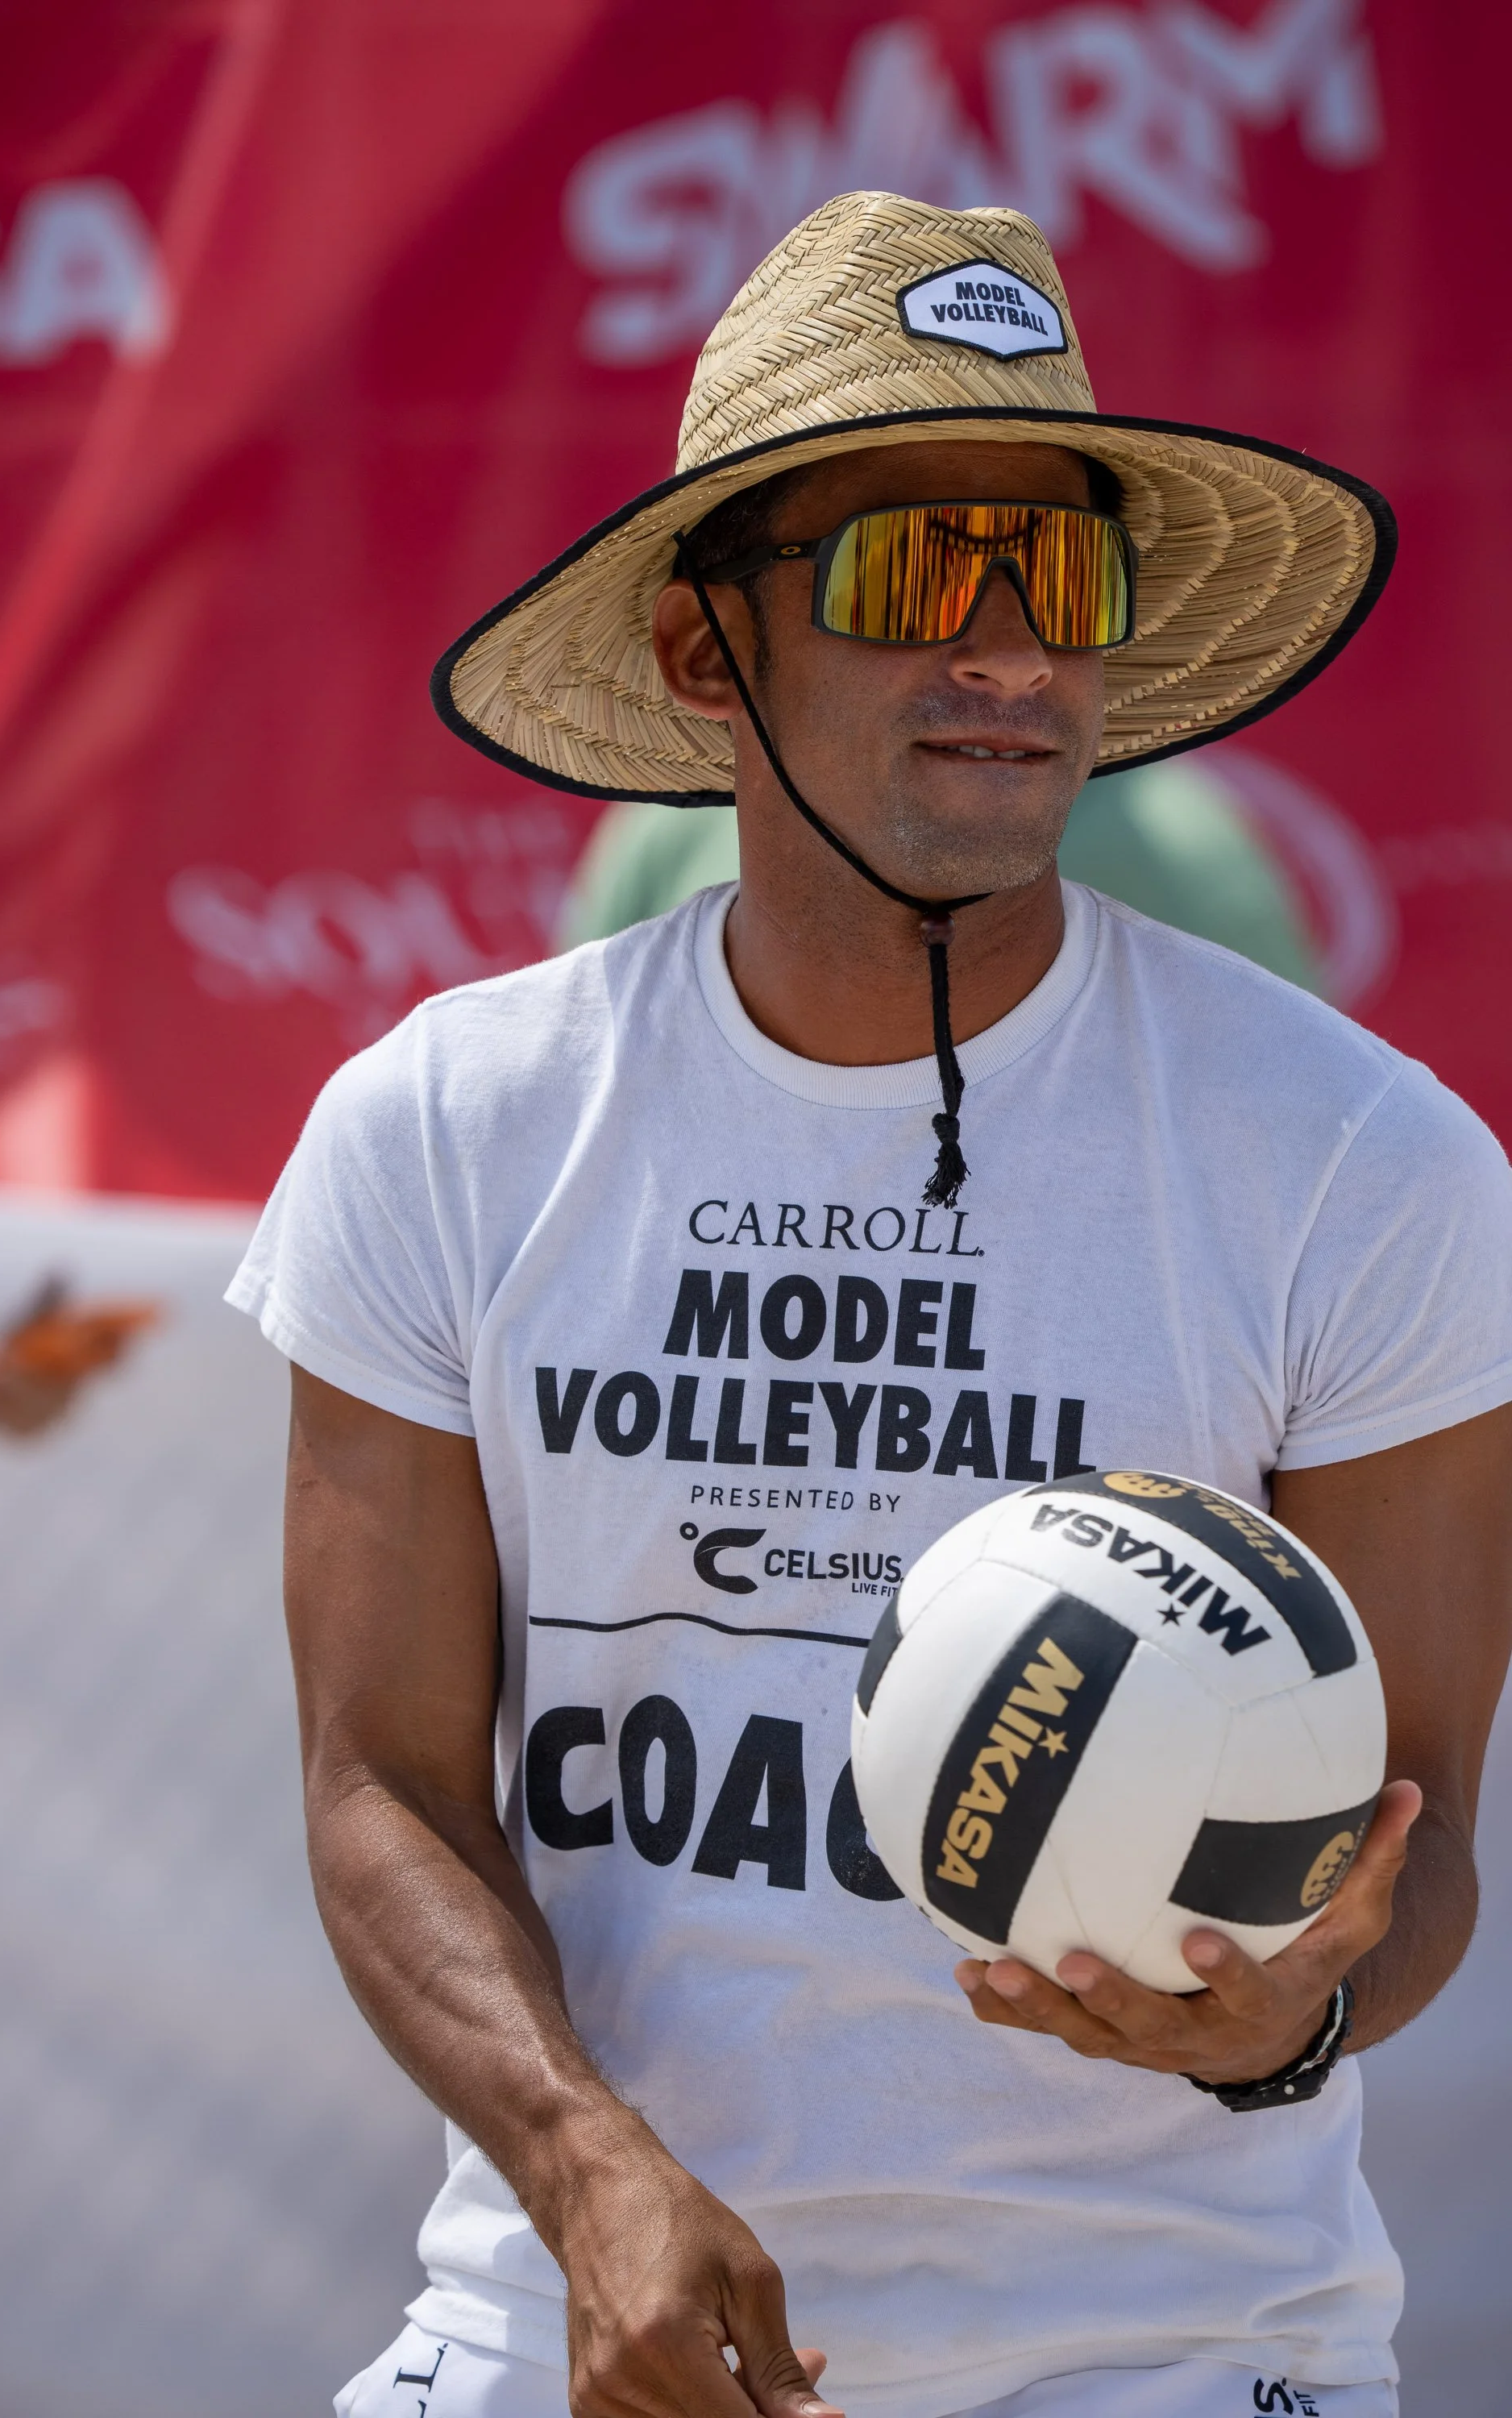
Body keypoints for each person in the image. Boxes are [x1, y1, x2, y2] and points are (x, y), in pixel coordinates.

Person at [231, 197, 1512, 2418]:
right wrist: (585, 2171)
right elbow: (384, 1786)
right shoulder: (442, 1129)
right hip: (573, 2321)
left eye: (1064, 579)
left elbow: (1415, 1839)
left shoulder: (1361, 1158)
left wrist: (1284, 2006)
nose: (1008, 651)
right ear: (703, 650)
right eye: (917, 573)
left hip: (1173, 2351)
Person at [558, 765, 1323, 994]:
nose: (1004, 650)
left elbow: (1281, 1131)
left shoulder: (1193, 850)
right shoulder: (672, 822)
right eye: (898, 579)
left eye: (1071, 581)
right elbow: (596, 1084)